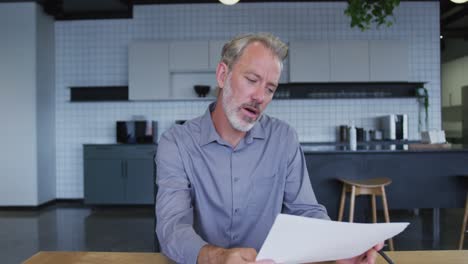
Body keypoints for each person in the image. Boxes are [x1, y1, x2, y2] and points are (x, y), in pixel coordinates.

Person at [155, 33, 383, 264]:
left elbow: (306, 212)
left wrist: (338, 251)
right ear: (223, 75)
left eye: (270, 88)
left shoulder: (284, 139)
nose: (260, 97)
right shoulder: (176, 143)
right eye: (252, 80)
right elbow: (172, 228)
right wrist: (218, 258)